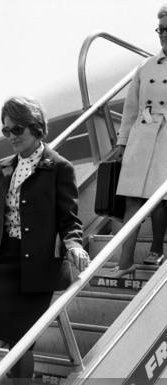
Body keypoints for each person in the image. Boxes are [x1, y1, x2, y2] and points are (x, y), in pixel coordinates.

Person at [0, 97, 89, 385]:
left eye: (17, 130)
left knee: (22, 340)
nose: (11, 137)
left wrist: (74, 244)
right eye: (6, 131)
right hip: (1, 259)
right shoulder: (5, 169)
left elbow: (69, 218)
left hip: (36, 265)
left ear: (36, 128)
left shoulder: (60, 167)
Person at [113, 4, 167, 275]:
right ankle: (125, 259)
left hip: (166, 138)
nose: (164, 35)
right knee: (132, 198)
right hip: (143, 136)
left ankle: (157, 250)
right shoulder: (146, 67)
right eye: (161, 29)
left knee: (159, 198)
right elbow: (130, 109)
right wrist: (122, 144)